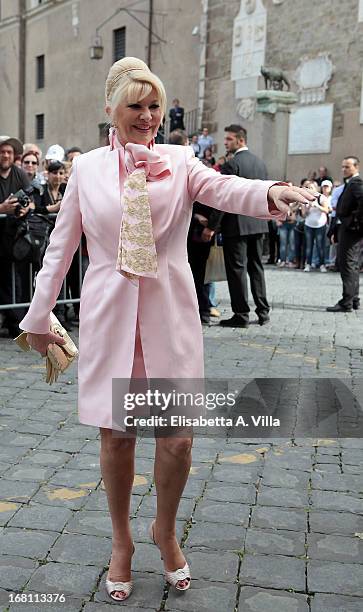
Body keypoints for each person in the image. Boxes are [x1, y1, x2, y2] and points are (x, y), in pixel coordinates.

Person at [18, 56, 316, 603]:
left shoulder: (181, 160)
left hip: (170, 318)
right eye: (135, 105)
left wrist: (273, 192)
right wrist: (38, 317)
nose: (148, 116)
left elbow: (225, 189)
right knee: (117, 437)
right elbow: (59, 251)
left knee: (177, 440)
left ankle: (164, 528)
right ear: (111, 108)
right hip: (111, 320)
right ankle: (122, 541)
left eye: (154, 105)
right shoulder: (85, 172)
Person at [210, 124, 271, 327]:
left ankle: (241, 314)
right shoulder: (260, 164)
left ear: (240, 140)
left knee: (237, 270)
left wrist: (212, 226)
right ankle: (263, 312)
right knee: (257, 269)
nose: (225, 143)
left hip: (236, 226)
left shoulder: (232, 164)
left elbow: (223, 198)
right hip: (258, 224)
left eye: (229, 139)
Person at [0, 135, 31, 337]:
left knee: (16, 280)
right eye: (2, 151)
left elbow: (31, 200)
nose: (5, 155)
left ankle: (15, 323)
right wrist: (2, 208)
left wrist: (24, 209)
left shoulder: (19, 174)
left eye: (9, 152)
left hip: (14, 238)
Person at [327, 156, 363, 312]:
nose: (344, 169)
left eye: (347, 167)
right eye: (342, 167)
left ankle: (346, 301)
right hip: (346, 229)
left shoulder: (356, 183)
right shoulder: (348, 184)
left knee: (347, 264)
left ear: (356, 167)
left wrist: (354, 221)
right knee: (351, 264)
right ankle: (353, 299)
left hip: (351, 230)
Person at [303, 181, 330, 273]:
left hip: (320, 225)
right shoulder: (304, 198)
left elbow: (326, 210)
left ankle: (322, 264)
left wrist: (317, 206)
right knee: (309, 246)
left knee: (320, 245)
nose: (310, 190)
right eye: (308, 188)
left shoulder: (321, 197)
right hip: (308, 225)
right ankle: (308, 264)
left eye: (312, 188)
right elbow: (303, 214)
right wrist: (308, 208)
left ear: (316, 189)